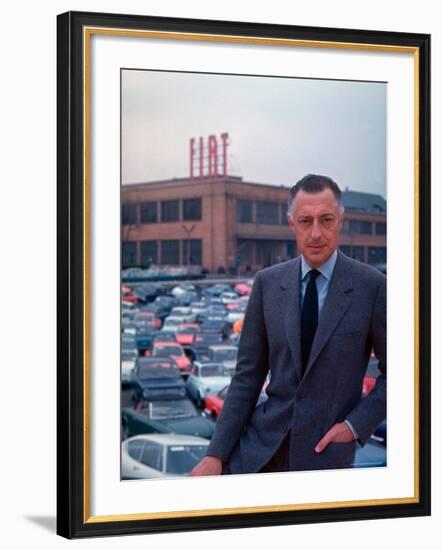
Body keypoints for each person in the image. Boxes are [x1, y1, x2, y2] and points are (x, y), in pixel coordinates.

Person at [191, 174, 386, 476]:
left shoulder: (372, 287)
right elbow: (247, 376)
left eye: (326, 220)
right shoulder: (267, 283)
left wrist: (354, 426)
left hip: (325, 459)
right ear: (292, 222)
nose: (316, 233)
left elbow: (404, 374)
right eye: (306, 221)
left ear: (341, 220)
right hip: (257, 452)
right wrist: (215, 454)